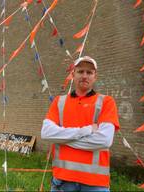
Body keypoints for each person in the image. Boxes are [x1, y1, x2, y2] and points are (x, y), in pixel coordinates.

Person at [41, 56, 120, 192]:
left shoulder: (106, 102)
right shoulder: (59, 102)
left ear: (95, 77)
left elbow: (104, 140)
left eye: (89, 72)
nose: (84, 76)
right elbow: (46, 133)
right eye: (80, 71)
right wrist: (87, 130)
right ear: (73, 74)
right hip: (62, 181)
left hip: (95, 184)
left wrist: (62, 139)